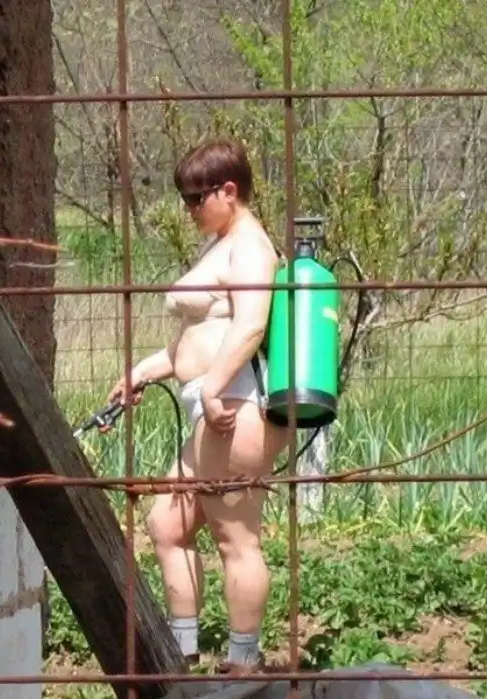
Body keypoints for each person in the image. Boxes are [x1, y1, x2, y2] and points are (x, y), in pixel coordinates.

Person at [107, 137, 289, 675]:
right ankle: (182, 654)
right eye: (184, 198)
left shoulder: (251, 247)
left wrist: (212, 389)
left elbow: (249, 326)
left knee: (237, 539)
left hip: (235, 408)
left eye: (195, 197)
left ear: (228, 191)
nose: (188, 208)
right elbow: (196, 338)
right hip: (213, 406)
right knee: (167, 525)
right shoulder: (220, 243)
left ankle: (243, 662)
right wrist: (142, 372)